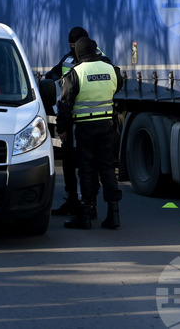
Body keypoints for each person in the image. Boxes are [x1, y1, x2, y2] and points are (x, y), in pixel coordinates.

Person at [57, 37, 123, 230]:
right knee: (107, 168)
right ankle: (113, 215)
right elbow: (117, 87)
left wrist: (62, 129)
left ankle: (85, 215)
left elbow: (65, 105)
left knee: (86, 169)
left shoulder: (75, 73)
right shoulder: (111, 70)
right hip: (106, 125)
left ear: (78, 53)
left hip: (84, 128)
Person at [46, 26, 107, 218]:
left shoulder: (101, 59)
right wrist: (58, 82)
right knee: (69, 162)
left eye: (76, 46)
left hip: (89, 121)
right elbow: (52, 74)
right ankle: (72, 200)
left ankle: (89, 205)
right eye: (71, 46)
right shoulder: (68, 59)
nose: (73, 49)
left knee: (89, 165)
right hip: (72, 119)